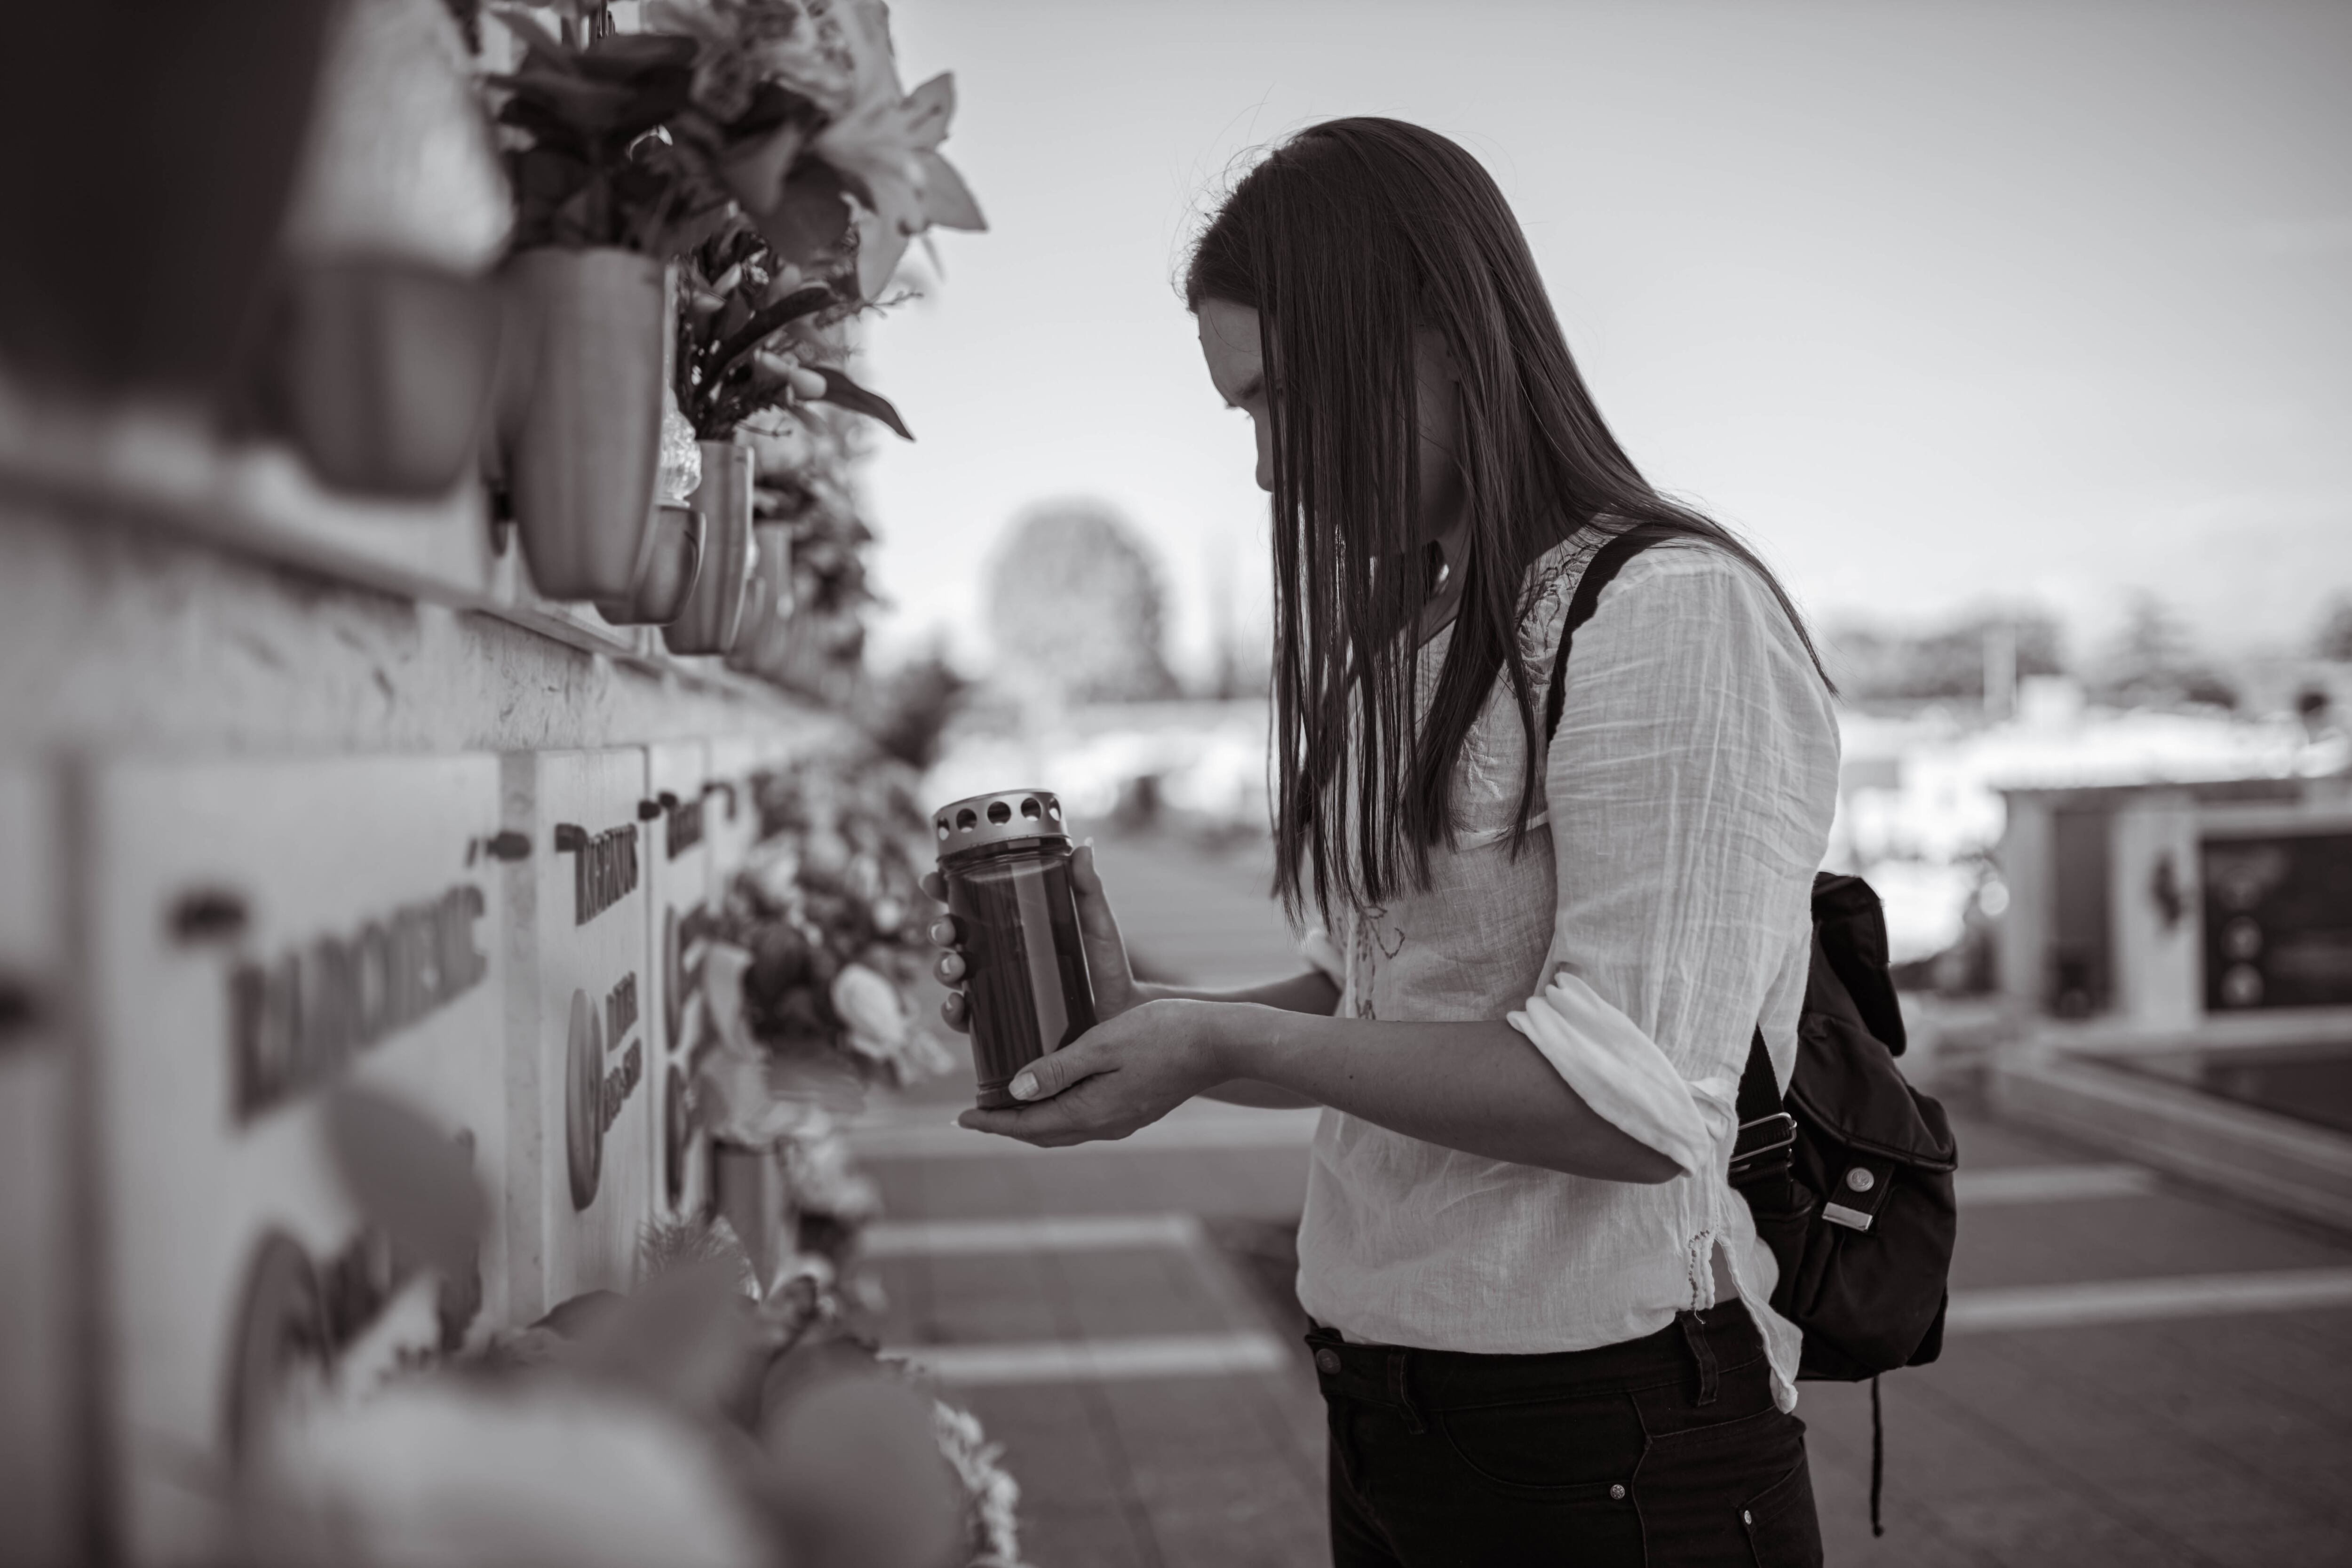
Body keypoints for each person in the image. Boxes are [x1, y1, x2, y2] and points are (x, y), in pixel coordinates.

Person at [923, 118, 1842, 1567]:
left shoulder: (1665, 612)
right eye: (1243, 415)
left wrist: (1224, 1052)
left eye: (1280, 399)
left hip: (1613, 1432)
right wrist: (1148, 1023)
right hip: (1403, 1407)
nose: (1268, 466)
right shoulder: (1414, 635)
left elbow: (1636, 1102)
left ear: (1439, 333)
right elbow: (1388, 1006)